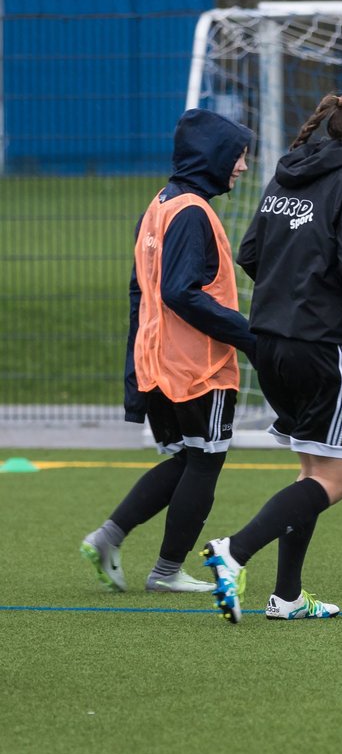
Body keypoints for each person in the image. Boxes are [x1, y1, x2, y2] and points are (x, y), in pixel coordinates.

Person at [201, 87, 342, 623]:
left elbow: (251, 254)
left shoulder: (288, 173)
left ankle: (286, 596)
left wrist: (291, 298)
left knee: (311, 470)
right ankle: (233, 552)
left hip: (269, 342)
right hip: (320, 348)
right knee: (337, 479)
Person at [80, 108, 255, 594]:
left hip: (157, 364)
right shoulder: (193, 211)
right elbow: (181, 292)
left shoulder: (158, 205)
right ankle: (165, 572)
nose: (242, 166)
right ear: (213, 156)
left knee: (183, 459)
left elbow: (141, 293)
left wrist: (135, 373)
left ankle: (108, 537)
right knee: (205, 461)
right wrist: (248, 336)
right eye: (237, 156)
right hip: (198, 367)